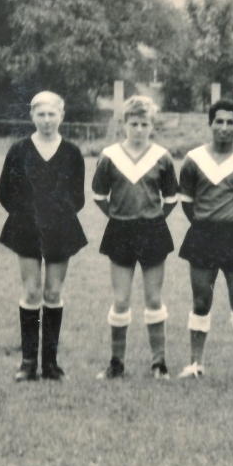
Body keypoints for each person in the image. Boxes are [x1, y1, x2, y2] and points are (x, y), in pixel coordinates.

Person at [0, 91, 87, 381]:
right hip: (26, 228)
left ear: (62, 115)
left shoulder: (72, 152)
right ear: (32, 116)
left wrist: (55, 216)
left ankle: (50, 364)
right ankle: (27, 363)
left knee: (52, 293)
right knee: (32, 291)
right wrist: (27, 215)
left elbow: (78, 197)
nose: (47, 120)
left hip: (60, 229)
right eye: (41, 114)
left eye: (52, 114)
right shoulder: (19, 150)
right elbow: (4, 192)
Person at [92, 95, 179, 380]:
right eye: (134, 123)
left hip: (152, 230)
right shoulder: (110, 156)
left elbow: (171, 198)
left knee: (153, 299)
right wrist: (119, 217)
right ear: (124, 124)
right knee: (121, 300)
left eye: (144, 124)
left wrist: (153, 219)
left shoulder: (162, 156)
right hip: (120, 231)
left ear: (152, 125)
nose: (139, 129)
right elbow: (99, 196)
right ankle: (116, 363)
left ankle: (159, 363)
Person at [177, 98, 233, 379]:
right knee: (201, 301)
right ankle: (195, 364)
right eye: (219, 121)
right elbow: (187, 203)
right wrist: (205, 223)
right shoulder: (193, 159)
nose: (224, 127)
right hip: (202, 234)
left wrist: (230, 221)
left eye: (230, 122)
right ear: (210, 123)